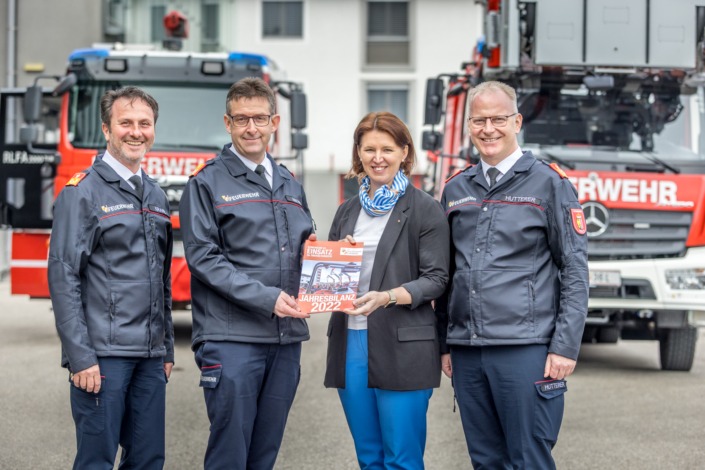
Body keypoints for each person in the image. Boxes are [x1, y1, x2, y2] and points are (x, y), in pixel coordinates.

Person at [438, 80, 589, 469]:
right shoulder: (456, 189)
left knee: (528, 459)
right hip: (468, 352)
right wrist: (445, 343)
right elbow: (446, 272)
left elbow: (574, 268)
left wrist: (565, 346)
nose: (488, 129)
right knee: (485, 460)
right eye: (479, 120)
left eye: (498, 119)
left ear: (517, 121)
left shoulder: (550, 184)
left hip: (526, 350)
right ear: (469, 125)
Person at [179, 77, 314, 470]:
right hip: (232, 339)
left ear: (275, 121)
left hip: (285, 339)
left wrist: (328, 260)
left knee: (264, 453)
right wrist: (266, 298)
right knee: (230, 454)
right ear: (227, 122)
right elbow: (203, 258)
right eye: (241, 119)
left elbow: (304, 245)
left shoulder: (290, 182)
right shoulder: (206, 183)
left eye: (259, 118)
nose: (251, 128)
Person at [48, 86, 174, 469]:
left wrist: (166, 346)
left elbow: (162, 279)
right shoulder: (82, 192)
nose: (136, 132)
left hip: (150, 357)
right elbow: (64, 275)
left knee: (148, 459)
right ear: (106, 129)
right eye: (126, 123)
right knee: (96, 461)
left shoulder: (154, 194)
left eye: (144, 124)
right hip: (103, 357)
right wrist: (80, 357)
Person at [324, 112, 450, 469]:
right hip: (351, 342)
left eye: (387, 149)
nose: (377, 157)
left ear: (404, 152)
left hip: (403, 342)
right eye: (369, 149)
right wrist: (335, 257)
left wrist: (388, 296)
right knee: (369, 456)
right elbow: (332, 281)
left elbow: (437, 279)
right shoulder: (347, 212)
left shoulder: (425, 210)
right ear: (358, 154)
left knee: (402, 459)